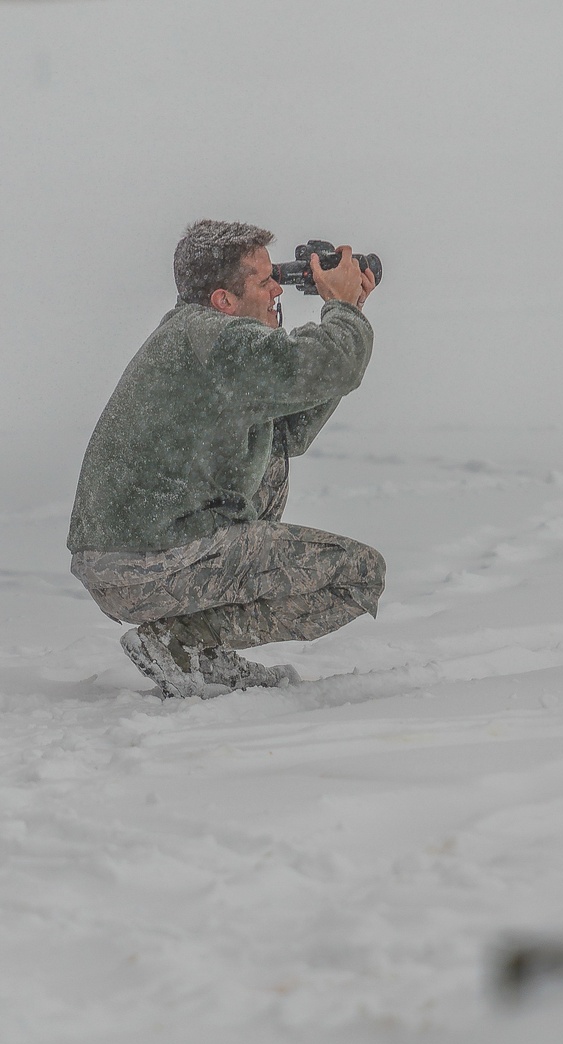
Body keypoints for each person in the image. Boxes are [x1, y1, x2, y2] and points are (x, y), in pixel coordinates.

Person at [67, 219, 383, 698]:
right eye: (265, 281)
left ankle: (193, 649)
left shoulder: (201, 338)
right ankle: (183, 643)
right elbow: (325, 363)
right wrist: (339, 310)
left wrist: (349, 310)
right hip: (142, 565)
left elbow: (290, 430)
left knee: (271, 459)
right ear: (224, 300)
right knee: (360, 575)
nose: (278, 287)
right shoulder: (214, 338)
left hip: (130, 554)